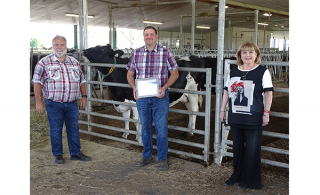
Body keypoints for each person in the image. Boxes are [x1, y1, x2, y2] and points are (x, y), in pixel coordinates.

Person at [219, 41, 273, 189]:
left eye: (251, 52)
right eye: (244, 52)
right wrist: (223, 109)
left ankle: (249, 179)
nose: (247, 55)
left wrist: (266, 113)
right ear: (240, 55)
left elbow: (269, 93)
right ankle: (237, 175)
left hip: (254, 116)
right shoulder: (233, 70)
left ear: (256, 55)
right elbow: (226, 91)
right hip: (236, 115)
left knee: (252, 149)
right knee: (237, 148)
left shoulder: (263, 71)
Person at [126, 26, 179, 171]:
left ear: (156, 36)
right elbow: (130, 74)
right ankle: (147, 156)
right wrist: (134, 88)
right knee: (145, 128)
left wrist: (164, 87)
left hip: (160, 96)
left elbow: (175, 73)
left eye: (151, 34)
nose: (149, 37)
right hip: (142, 98)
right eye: (146, 35)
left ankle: (162, 158)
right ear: (143, 37)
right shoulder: (136, 53)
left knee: (161, 129)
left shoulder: (165, 52)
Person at [32, 35, 91, 164]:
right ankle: (58, 154)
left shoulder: (74, 62)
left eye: (62, 45)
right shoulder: (44, 62)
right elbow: (37, 82)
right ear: (53, 47)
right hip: (53, 103)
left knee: (73, 128)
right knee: (55, 129)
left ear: (66, 46)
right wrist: (38, 101)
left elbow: (82, 81)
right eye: (56, 45)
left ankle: (75, 153)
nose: (59, 47)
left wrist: (84, 96)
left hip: (71, 103)